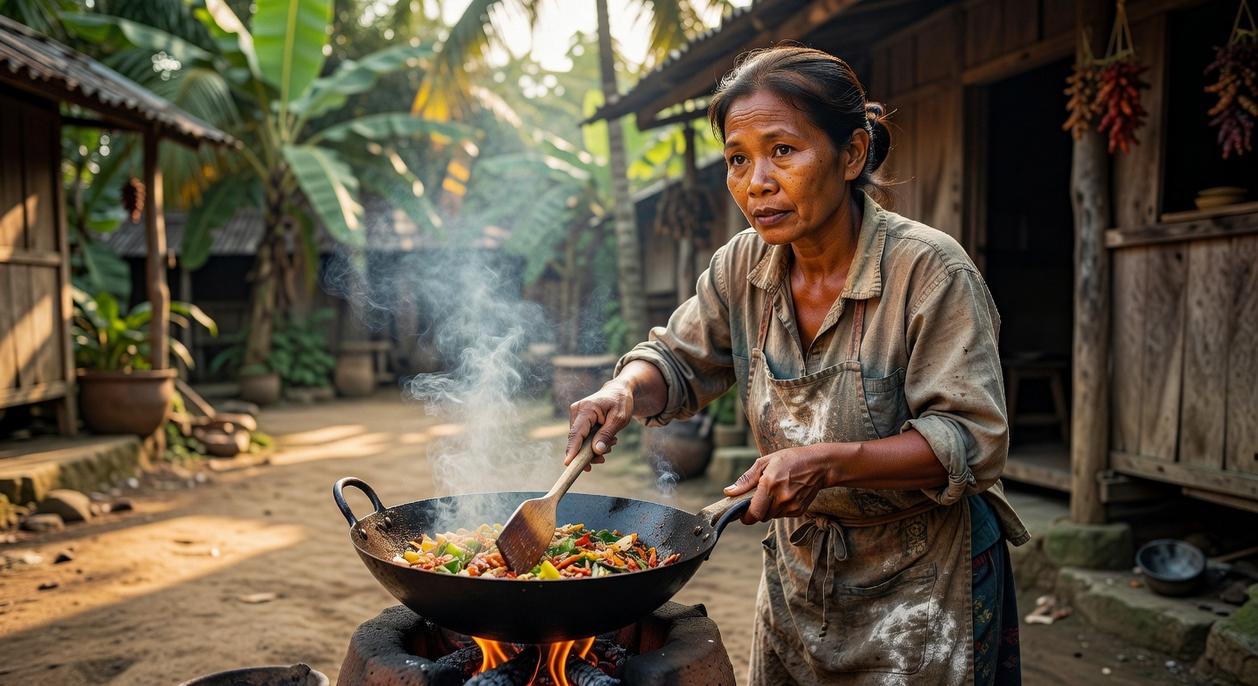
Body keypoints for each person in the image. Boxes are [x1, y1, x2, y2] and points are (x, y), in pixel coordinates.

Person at [564, 46, 1028, 685]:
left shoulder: (929, 271)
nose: (756, 181)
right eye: (737, 158)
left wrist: (827, 462)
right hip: (800, 575)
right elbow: (676, 358)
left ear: (852, 154)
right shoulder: (742, 266)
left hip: (923, 583)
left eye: (782, 150)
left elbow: (972, 443)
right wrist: (622, 391)